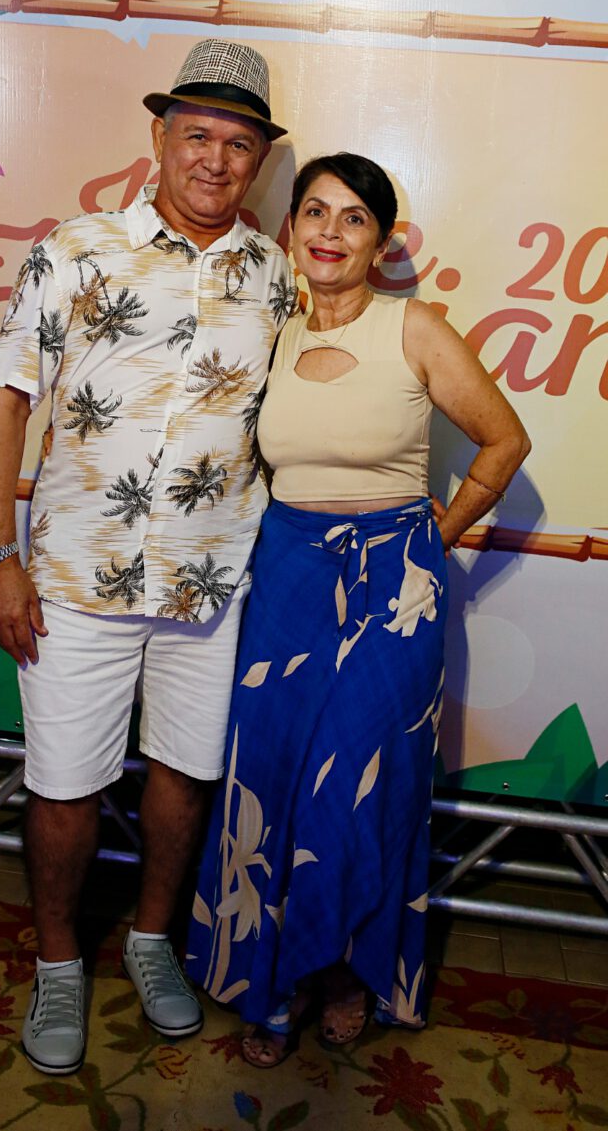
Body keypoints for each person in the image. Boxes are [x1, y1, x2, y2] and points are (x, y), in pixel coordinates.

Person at [0, 38, 295, 1076]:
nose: (215, 159)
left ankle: (152, 942)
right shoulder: (75, 249)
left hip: (212, 582)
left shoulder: (279, 278)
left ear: (259, 160)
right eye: (197, 134)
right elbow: (3, 400)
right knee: (64, 782)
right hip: (74, 576)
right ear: (159, 136)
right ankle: (59, 962)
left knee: (186, 776)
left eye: (238, 143)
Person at [185, 152, 531, 1067]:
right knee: (271, 775)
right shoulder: (274, 335)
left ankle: (345, 972)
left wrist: (431, 540)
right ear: (292, 228)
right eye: (315, 212)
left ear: (380, 242)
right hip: (288, 576)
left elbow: (504, 440)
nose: (330, 232)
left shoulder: (415, 328)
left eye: (353, 218)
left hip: (394, 587)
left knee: (362, 783)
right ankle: (273, 978)